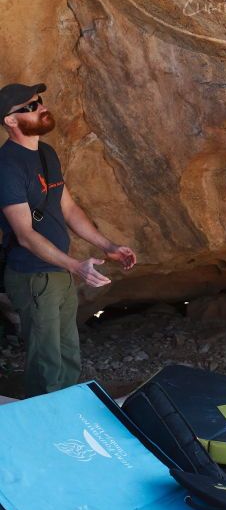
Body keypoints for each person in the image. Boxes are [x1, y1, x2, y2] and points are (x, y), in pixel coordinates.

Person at [0, 82, 137, 397]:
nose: (42, 107)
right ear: (10, 121)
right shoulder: (7, 165)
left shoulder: (46, 153)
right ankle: (48, 425)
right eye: (31, 106)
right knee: (46, 360)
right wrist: (76, 266)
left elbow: (69, 207)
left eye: (40, 101)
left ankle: (72, 412)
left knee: (67, 351)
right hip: (32, 274)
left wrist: (108, 246)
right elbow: (24, 235)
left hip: (58, 271)